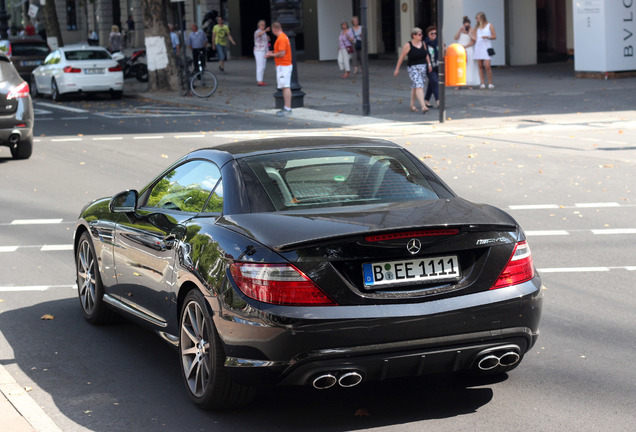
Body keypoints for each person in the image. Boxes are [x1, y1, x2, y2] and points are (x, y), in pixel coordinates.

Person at [393, 27, 432, 114]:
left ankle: (412, 105)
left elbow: (426, 54)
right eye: (419, 34)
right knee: (419, 86)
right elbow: (402, 57)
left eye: (421, 34)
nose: (421, 36)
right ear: (414, 35)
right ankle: (423, 106)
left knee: (415, 86)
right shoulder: (408, 45)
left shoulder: (423, 43)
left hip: (423, 67)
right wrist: (397, 69)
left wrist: (429, 64)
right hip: (413, 68)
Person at [266, 22, 293, 117]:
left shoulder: (281, 38)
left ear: (274, 29)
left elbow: (282, 53)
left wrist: (270, 54)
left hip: (283, 65)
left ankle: (287, 108)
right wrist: (273, 52)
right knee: (285, 86)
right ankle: (287, 107)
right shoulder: (284, 37)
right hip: (284, 65)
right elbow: (281, 51)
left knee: (285, 86)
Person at [473, 11, 496, 89]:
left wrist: (487, 37)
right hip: (478, 46)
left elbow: (494, 36)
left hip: (486, 46)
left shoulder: (489, 25)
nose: (477, 19)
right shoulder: (477, 27)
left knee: (487, 66)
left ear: (482, 18)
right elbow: (474, 36)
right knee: (480, 66)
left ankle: (490, 82)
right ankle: (482, 82)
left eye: (477, 18)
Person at [454, 16, 480, 87]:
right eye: (466, 26)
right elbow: (455, 38)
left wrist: (469, 34)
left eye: (468, 26)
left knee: (469, 66)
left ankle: (469, 83)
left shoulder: (473, 30)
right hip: (460, 49)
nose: (467, 28)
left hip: (468, 48)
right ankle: (458, 83)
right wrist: (460, 30)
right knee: (459, 66)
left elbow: (473, 41)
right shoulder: (461, 30)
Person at [424, 26, 439, 109]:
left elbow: (443, 50)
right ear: (428, 34)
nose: (434, 35)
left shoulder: (439, 42)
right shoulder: (425, 43)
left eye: (435, 33)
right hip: (429, 66)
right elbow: (425, 55)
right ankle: (438, 100)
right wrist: (429, 64)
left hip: (438, 65)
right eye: (431, 33)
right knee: (435, 82)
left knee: (432, 83)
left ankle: (426, 100)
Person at [254, 20, 270, 86]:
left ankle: (261, 80)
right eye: (262, 25)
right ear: (259, 25)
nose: (263, 26)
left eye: (264, 25)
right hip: (259, 51)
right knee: (260, 66)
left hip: (264, 50)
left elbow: (266, 40)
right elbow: (259, 34)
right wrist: (266, 30)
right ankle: (259, 81)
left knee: (263, 66)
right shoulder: (257, 31)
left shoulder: (264, 33)